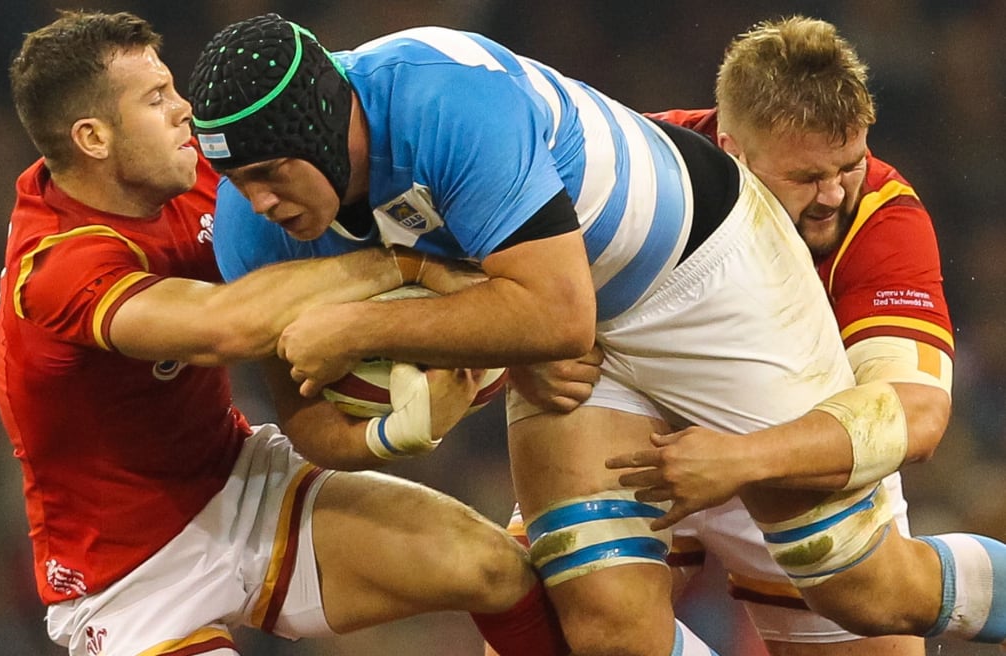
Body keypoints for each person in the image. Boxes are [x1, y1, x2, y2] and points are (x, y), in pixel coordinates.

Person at [187, 14, 1006, 656]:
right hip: (574, 343)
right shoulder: (253, 232)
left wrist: (373, 325)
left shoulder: (449, 98)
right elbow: (311, 427)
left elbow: (556, 313)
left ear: (330, 124)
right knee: (604, 629)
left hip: (706, 284)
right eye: (236, 180)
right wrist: (411, 420)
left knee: (866, 593)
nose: (256, 201)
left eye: (269, 173)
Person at [0, 10, 570, 655]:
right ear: (93, 137)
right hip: (127, 576)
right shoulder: (54, 264)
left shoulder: (204, 182)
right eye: (156, 99)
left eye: (173, 88)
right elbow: (222, 329)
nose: (186, 111)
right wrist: (397, 266)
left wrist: (515, 341)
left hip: (243, 483)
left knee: (492, 568)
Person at [508, 15, 953, 656]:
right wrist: (525, 355)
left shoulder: (884, 218)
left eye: (849, 164)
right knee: (550, 626)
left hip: (794, 451)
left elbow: (919, 415)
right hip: (637, 432)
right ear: (732, 149)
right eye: (805, 178)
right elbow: (493, 269)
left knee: (878, 622)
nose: (833, 195)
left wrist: (740, 460)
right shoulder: (641, 166)